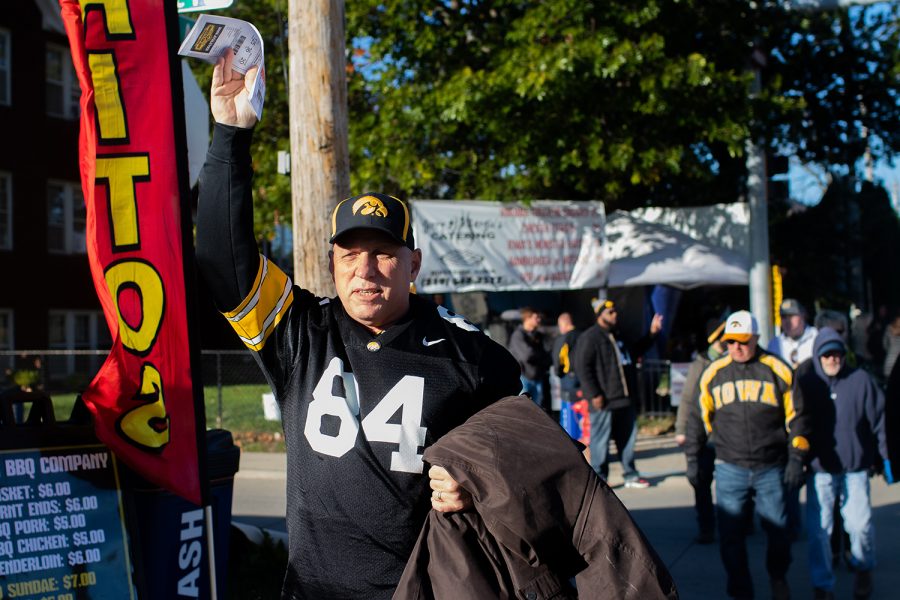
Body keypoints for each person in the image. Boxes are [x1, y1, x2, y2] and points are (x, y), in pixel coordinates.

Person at [195, 54, 522, 599]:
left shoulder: (471, 355)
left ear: (413, 265)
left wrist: (483, 483)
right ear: (332, 266)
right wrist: (230, 134)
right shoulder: (299, 332)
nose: (365, 270)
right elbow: (222, 261)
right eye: (349, 256)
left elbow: (539, 455)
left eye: (383, 254)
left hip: (421, 590)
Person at [687, 310, 809, 600]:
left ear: (755, 338)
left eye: (743, 341)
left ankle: (778, 577)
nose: (736, 348)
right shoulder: (713, 374)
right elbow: (697, 418)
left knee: (779, 533)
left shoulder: (777, 369)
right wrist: (693, 459)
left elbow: (798, 418)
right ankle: (741, 591)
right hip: (730, 466)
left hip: (771, 466)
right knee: (730, 536)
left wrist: (796, 458)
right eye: (730, 342)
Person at [796, 328, 893, 600]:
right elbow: (796, 422)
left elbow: (880, 422)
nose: (832, 358)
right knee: (819, 533)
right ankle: (822, 585)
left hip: (855, 468)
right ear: (818, 356)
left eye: (837, 352)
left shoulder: (860, 380)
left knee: (860, 526)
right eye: (826, 354)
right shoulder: (807, 382)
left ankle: (864, 569)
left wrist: (887, 457)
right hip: (820, 470)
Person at [572, 297, 662, 488]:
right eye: (610, 312)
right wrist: (594, 394)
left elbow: (636, 349)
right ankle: (599, 478)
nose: (615, 315)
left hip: (625, 399)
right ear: (600, 315)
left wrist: (652, 334)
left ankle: (630, 474)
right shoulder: (590, 337)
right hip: (604, 400)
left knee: (628, 439)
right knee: (600, 441)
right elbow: (583, 367)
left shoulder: (619, 335)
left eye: (615, 312)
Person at [676, 320, 726, 544]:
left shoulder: (732, 361)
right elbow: (687, 398)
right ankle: (707, 526)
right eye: (723, 337)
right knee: (701, 480)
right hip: (705, 434)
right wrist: (681, 429)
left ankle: (740, 523)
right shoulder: (701, 363)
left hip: (728, 434)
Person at [507, 307, 552, 409]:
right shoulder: (518, 335)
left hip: (538, 377)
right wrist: (540, 355)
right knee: (522, 409)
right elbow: (527, 355)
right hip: (524, 378)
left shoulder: (538, 335)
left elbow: (548, 354)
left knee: (538, 411)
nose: (539, 320)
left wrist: (539, 355)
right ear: (527, 318)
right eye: (536, 317)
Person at [768, 298, 818, 369]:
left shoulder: (816, 337)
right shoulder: (774, 344)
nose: (788, 321)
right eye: (784, 317)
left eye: (791, 316)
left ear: (803, 316)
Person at [551, 312, 580, 404]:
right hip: (584, 377)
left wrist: (558, 372)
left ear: (564, 324)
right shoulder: (584, 335)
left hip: (569, 377)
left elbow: (558, 358)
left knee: (570, 408)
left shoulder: (563, 339)